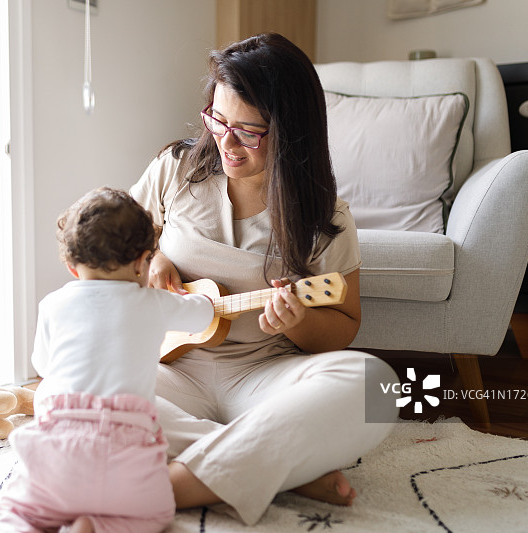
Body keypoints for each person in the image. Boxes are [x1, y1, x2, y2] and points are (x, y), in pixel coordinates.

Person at [130, 33, 399, 526]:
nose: (226, 142)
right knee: (65, 388)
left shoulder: (325, 217)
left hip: (264, 378)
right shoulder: (176, 169)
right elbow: (119, 243)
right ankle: (279, 467)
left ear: (291, 131)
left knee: (376, 388)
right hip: (170, 371)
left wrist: (296, 322)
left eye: (249, 132)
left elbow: (344, 324)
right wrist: (149, 261)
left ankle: (172, 485)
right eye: (218, 120)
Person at [0, 187, 214, 533]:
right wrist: (184, 296)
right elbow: (203, 314)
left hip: (58, 447)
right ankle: (98, 526)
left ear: (72, 266)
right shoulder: (153, 303)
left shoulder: (53, 305)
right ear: (143, 261)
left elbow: (45, 366)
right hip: (127, 454)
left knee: (15, 511)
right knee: (154, 515)